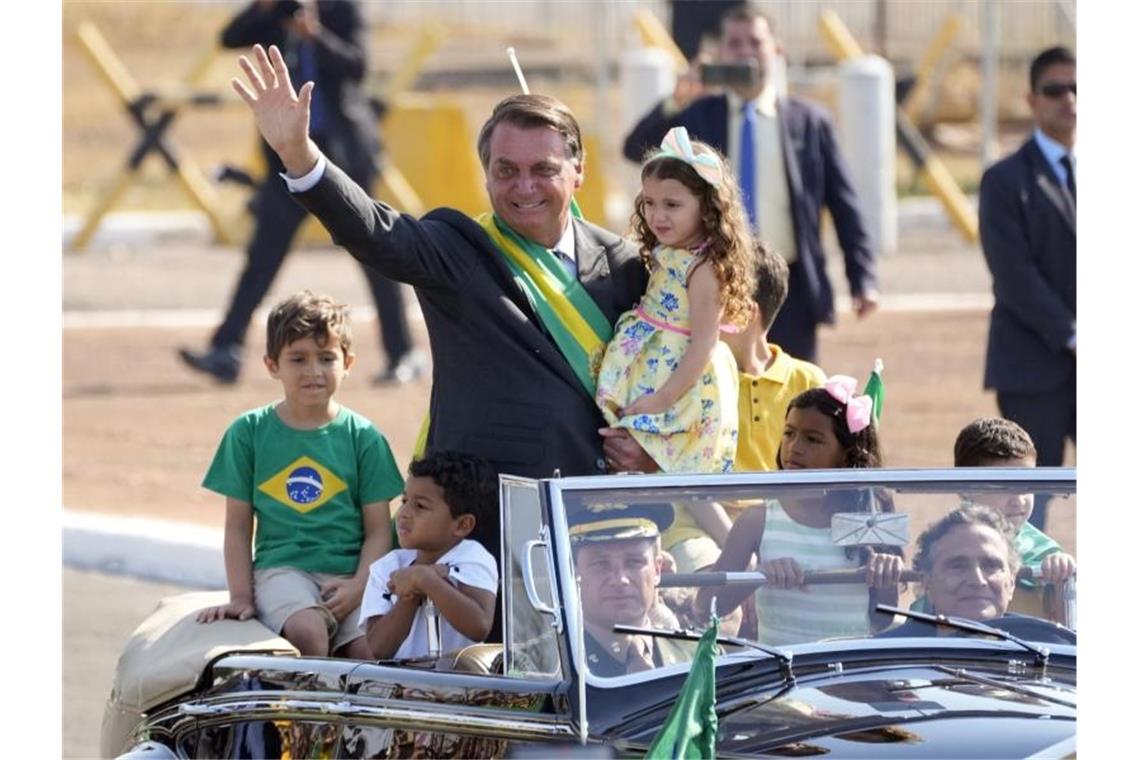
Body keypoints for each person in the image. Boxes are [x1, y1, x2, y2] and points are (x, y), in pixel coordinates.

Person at [229, 44, 650, 491]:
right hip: (485, 512)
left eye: (543, 169)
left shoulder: (623, 264)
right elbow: (376, 231)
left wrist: (650, 450)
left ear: (578, 171)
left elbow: (677, 373)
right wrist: (300, 155)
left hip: (598, 508)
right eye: (506, 170)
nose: (524, 187)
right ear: (485, 174)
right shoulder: (459, 249)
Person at [179, 0, 425, 386]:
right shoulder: (276, 12)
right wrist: (264, 6)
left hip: (343, 155)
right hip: (288, 158)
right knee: (262, 254)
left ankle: (403, 353)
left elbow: (357, 67)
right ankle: (225, 350)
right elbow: (228, 38)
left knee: (375, 252)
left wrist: (316, 35)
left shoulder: (342, 8)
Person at [622, 3, 877, 363]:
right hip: (714, 281)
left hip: (790, 285)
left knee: (791, 396)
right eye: (735, 44)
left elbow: (844, 203)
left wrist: (862, 277)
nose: (744, 52)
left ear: (776, 50)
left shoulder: (810, 122)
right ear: (720, 52)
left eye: (754, 42)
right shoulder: (699, 115)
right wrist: (678, 97)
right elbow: (636, 148)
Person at [195, 291, 405, 659]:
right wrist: (241, 597)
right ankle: (308, 719)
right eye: (298, 358)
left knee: (371, 655)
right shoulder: (248, 432)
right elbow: (237, 526)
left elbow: (377, 530)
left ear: (348, 362)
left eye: (327, 358)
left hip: (351, 575)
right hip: (283, 572)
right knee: (308, 633)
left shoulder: (365, 438)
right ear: (272, 365)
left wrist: (359, 585)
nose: (313, 371)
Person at [658, 243, 826, 576]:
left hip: (779, 531)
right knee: (718, 587)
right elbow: (688, 483)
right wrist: (744, 556)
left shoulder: (809, 381)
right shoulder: (686, 378)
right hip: (697, 530)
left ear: (743, 313)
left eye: (705, 301)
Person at [595, 127, 755, 475]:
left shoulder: (703, 268)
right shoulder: (672, 251)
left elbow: (703, 344)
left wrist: (661, 400)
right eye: (649, 203)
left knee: (680, 473)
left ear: (708, 207)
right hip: (653, 368)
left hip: (679, 384)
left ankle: (721, 531)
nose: (657, 216)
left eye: (672, 205)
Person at [697, 380, 902, 646]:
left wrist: (886, 575)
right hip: (781, 677)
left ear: (846, 455)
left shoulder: (871, 515)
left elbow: (884, 617)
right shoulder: (757, 521)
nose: (795, 447)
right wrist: (758, 576)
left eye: (813, 439)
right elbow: (705, 606)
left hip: (849, 679)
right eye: (789, 433)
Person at [977, 46, 1076, 533]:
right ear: (1033, 100)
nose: (1070, 100)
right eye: (1056, 90)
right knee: (1027, 510)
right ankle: (1030, 601)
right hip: (1033, 365)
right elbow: (1013, 274)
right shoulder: (1004, 180)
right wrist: (1073, 335)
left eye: (1079, 89)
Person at [360, 451, 499, 660]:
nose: (403, 513)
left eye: (420, 506)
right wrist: (410, 593)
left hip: (459, 685)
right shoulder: (387, 567)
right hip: (401, 685)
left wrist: (425, 580)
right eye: (404, 500)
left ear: (462, 525)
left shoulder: (473, 558)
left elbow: (478, 626)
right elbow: (379, 648)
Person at [879, 506, 1075, 644]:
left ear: (1012, 583)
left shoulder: (1051, 651)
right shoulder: (889, 654)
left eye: (991, 565)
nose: (977, 581)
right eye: (957, 566)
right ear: (926, 583)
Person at [949, 416, 1076, 618]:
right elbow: (926, 622)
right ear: (966, 488)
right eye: (1003, 486)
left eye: (1027, 484)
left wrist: (1061, 577)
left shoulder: (1044, 553)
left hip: (1026, 648)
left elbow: (1065, 632)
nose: (1018, 500)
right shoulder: (943, 545)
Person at [569, 501, 696, 676]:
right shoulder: (545, 666)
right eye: (600, 564)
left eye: (634, 562)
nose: (620, 580)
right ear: (574, 573)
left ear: (657, 569)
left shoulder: (696, 658)